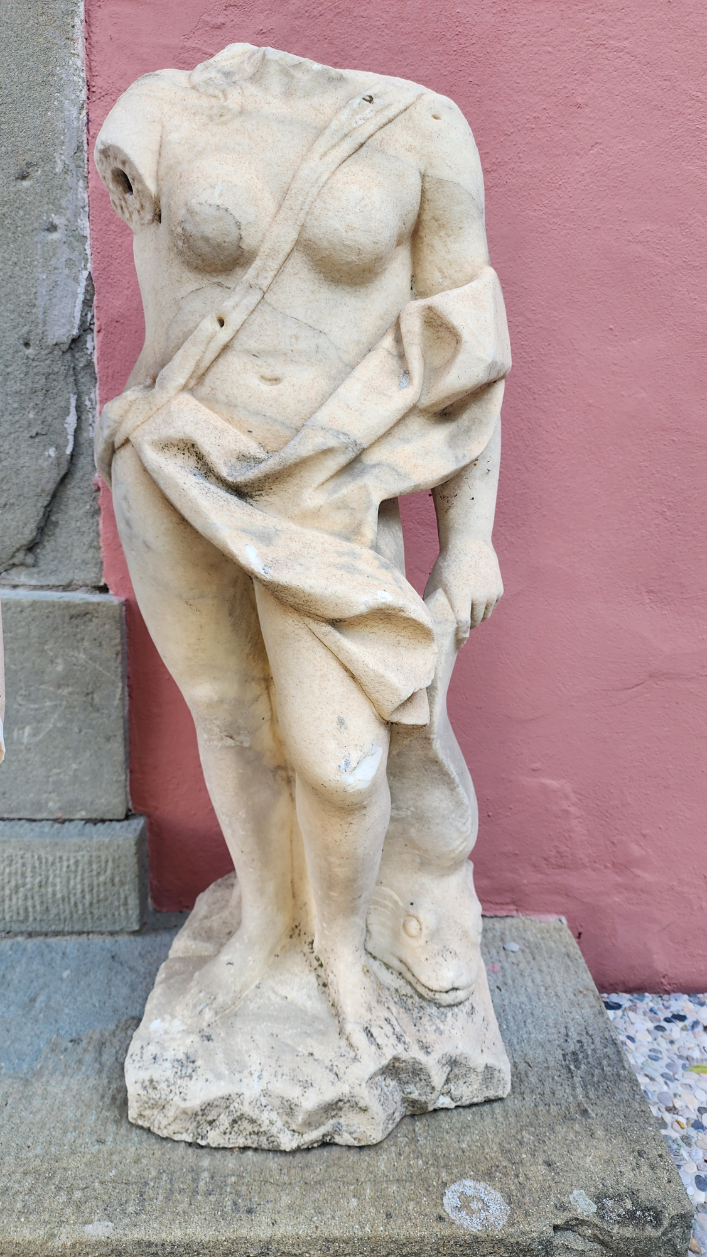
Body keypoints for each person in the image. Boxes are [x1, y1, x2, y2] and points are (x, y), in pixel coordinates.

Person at [95, 43, 510, 1058]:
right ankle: (265, 934)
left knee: (340, 760)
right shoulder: (165, 107)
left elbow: (465, 356)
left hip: (331, 489)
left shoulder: (424, 128)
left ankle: (340, 950)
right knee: (231, 718)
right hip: (176, 467)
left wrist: (466, 543)